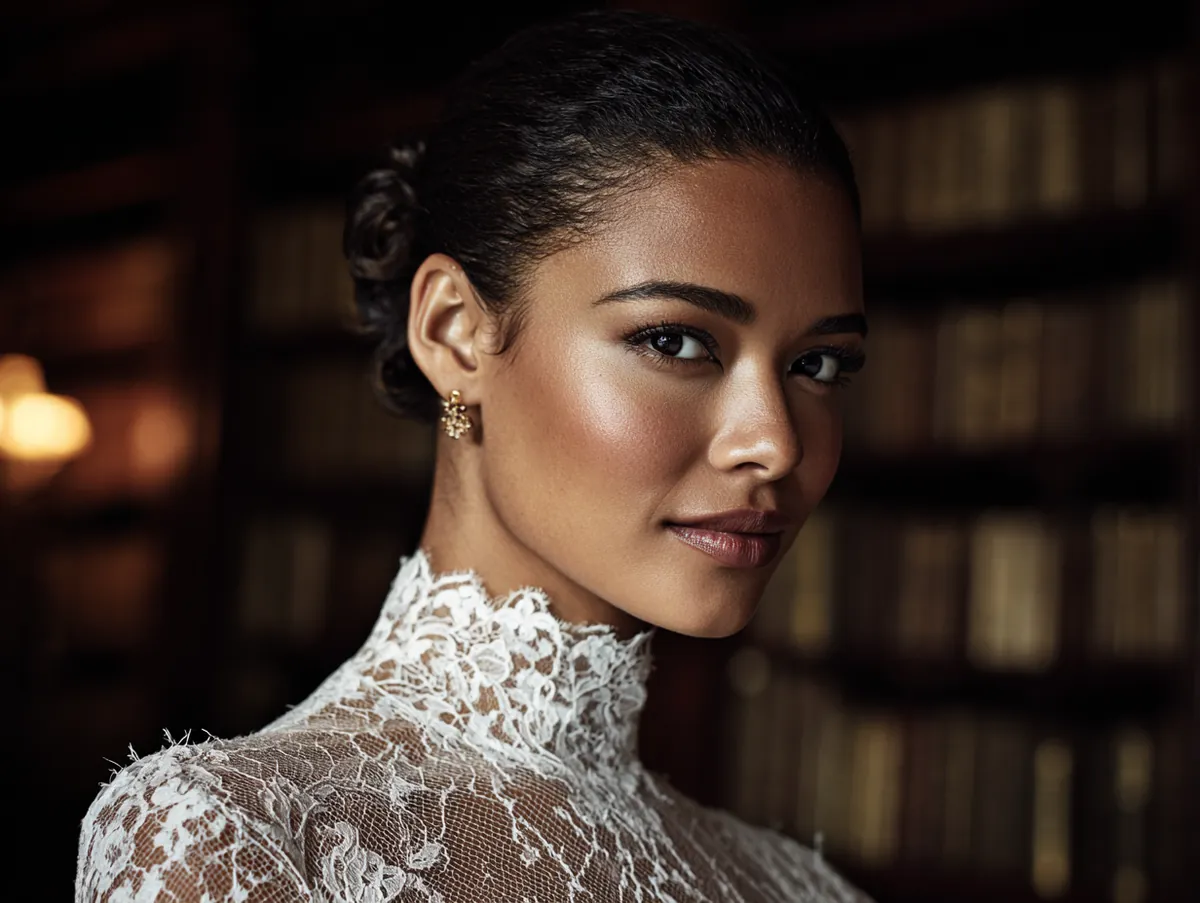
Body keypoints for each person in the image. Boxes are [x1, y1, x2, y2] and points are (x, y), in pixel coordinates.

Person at [75, 8, 869, 902]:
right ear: (454, 333)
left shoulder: (801, 887)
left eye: (818, 363)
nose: (774, 440)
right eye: (677, 343)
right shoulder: (227, 832)